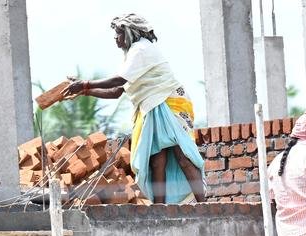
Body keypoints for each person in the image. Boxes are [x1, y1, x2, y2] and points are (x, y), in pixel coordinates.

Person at [63, 14, 205, 204]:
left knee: (183, 156)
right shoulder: (131, 56)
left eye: (118, 33)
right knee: (156, 160)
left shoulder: (141, 49)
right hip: (151, 108)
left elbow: (118, 80)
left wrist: (85, 84)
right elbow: (116, 92)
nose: (115, 38)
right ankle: (160, 210)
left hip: (170, 103)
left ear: (129, 33)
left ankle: (204, 205)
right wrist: (85, 91)